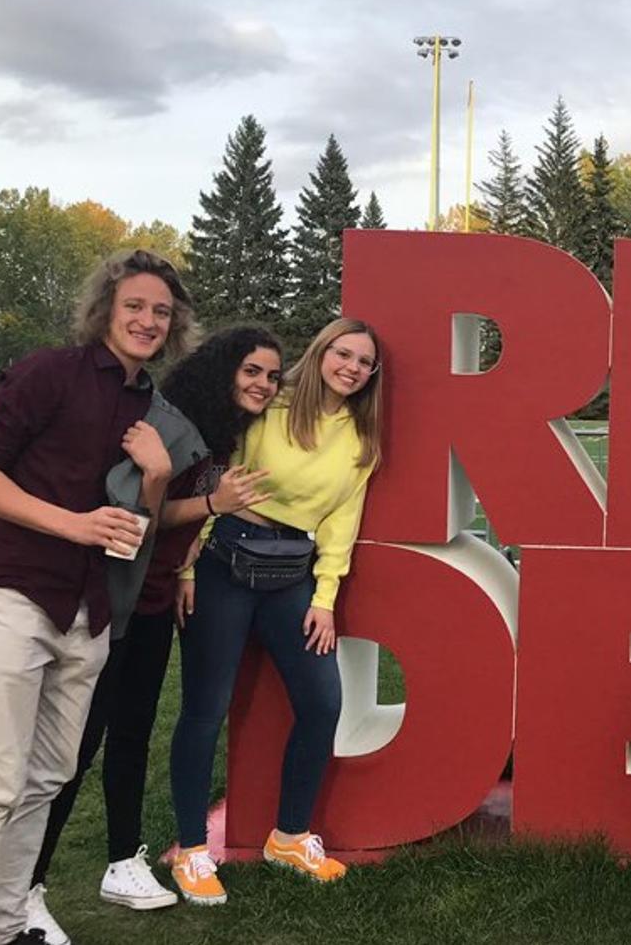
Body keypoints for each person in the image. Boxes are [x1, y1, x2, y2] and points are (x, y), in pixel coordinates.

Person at [0, 249, 195, 945]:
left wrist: (156, 477)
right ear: (107, 308)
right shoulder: (48, 371)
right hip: (17, 589)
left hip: (92, 609)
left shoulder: (154, 411)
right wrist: (72, 524)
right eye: (135, 305)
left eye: (161, 312)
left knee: (48, 774)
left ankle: (7, 921)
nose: (147, 320)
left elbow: (131, 538)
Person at [22, 326, 283, 945]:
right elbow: (141, 515)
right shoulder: (170, 422)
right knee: (76, 744)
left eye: (272, 376)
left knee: (134, 733)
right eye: (252, 371)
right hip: (112, 596)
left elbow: (181, 526)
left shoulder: (221, 430)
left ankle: (121, 863)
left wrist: (188, 563)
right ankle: (25, 888)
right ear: (223, 370)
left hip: (155, 597)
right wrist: (213, 505)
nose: (263, 385)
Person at [169, 317, 383, 906]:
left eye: (365, 363)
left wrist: (326, 598)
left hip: (293, 574)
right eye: (343, 353)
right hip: (224, 564)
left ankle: (289, 837)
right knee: (205, 710)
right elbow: (216, 477)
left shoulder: (362, 437)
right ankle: (191, 851)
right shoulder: (268, 405)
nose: (352, 368)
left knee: (322, 702)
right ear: (320, 351)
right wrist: (185, 568)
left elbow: (343, 522)